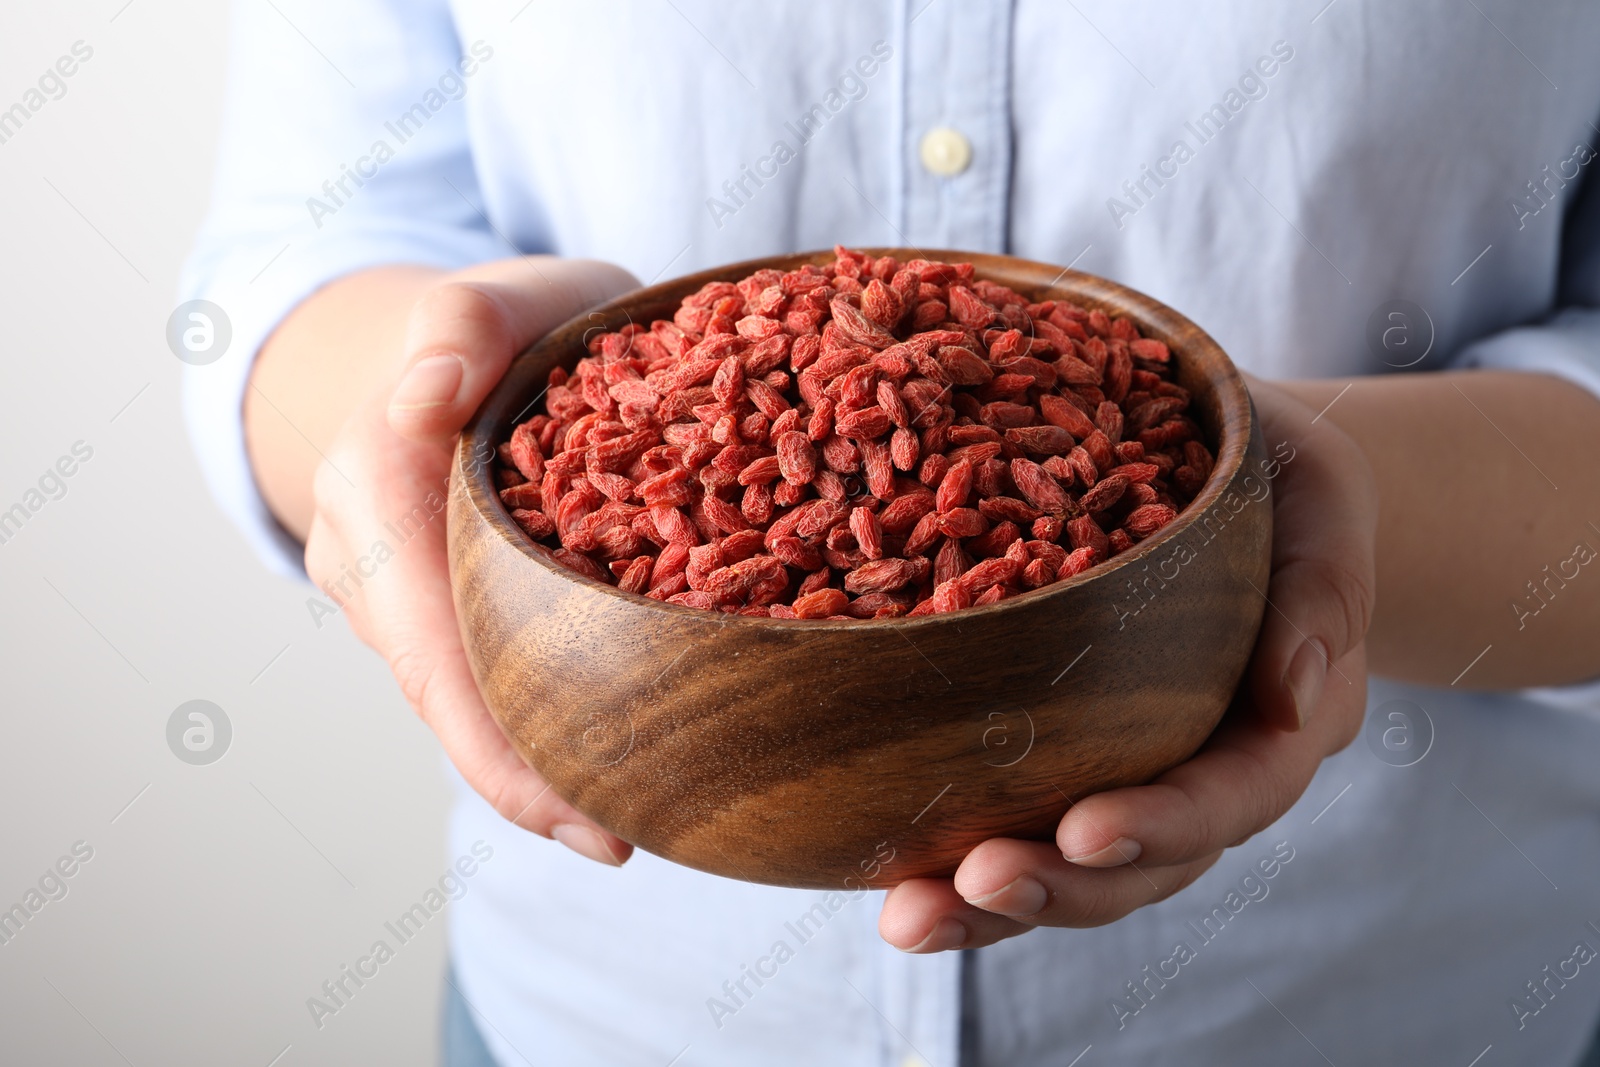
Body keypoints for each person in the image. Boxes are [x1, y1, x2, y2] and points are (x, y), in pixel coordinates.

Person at [181, 3, 1600, 1063]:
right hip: (610, 1018)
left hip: (1386, 999)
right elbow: (305, 243)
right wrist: (411, 412)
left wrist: (1288, 526)